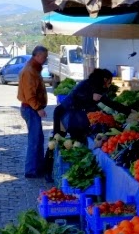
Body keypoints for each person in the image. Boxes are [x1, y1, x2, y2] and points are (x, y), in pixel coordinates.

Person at [55, 68, 132, 144]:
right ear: (105, 80)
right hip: (67, 113)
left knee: (75, 141)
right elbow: (76, 96)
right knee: (63, 140)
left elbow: (109, 103)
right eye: (109, 82)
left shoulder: (95, 86)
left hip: (73, 114)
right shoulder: (88, 85)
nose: (109, 85)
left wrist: (128, 111)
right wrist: (90, 96)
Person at [17, 46, 49, 178]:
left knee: (38, 139)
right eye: (44, 56)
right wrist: (38, 108)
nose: (46, 59)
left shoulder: (33, 68)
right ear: (38, 56)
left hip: (31, 108)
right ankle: (31, 170)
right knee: (34, 140)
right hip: (30, 109)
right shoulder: (30, 71)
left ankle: (38, 167)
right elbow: (30, 94)